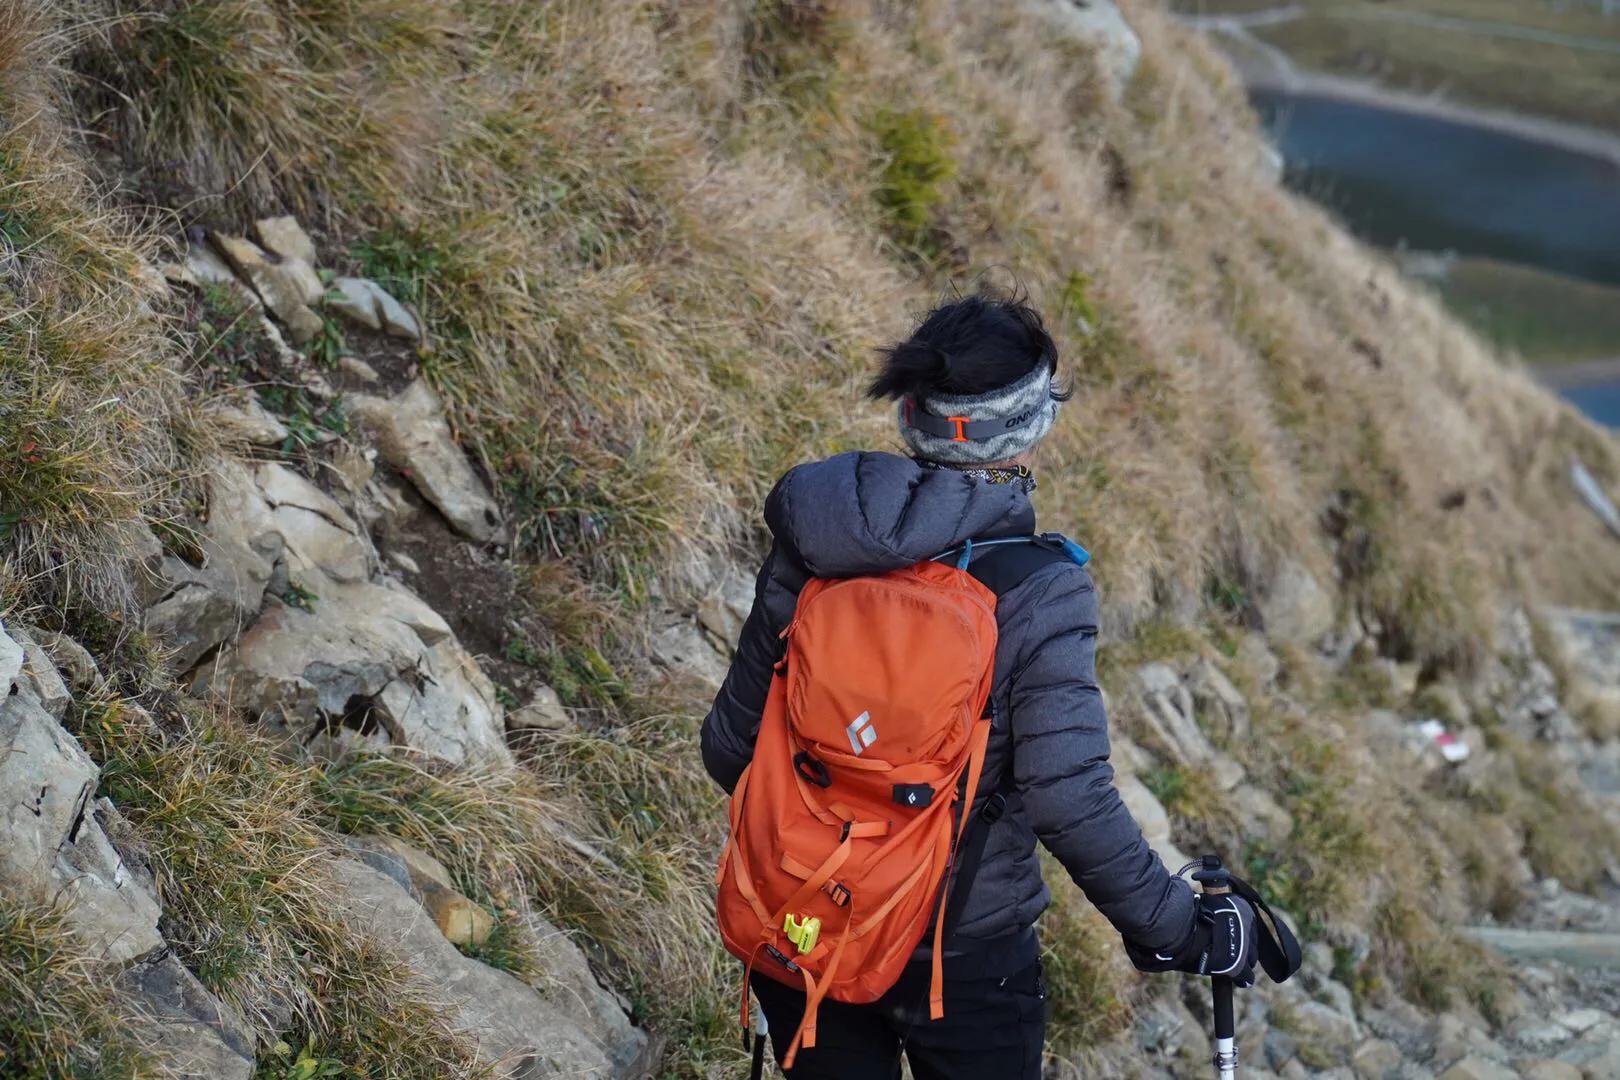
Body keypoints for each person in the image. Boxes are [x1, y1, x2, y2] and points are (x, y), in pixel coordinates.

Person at [702, 290, 1255, 1079]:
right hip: (959, 957)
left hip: (804, 918)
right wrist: (1183, 930)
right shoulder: (1039, 587)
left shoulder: (819, 538)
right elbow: (1070, 800)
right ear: (1028, 429)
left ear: (911, 414)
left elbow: (731, 748)